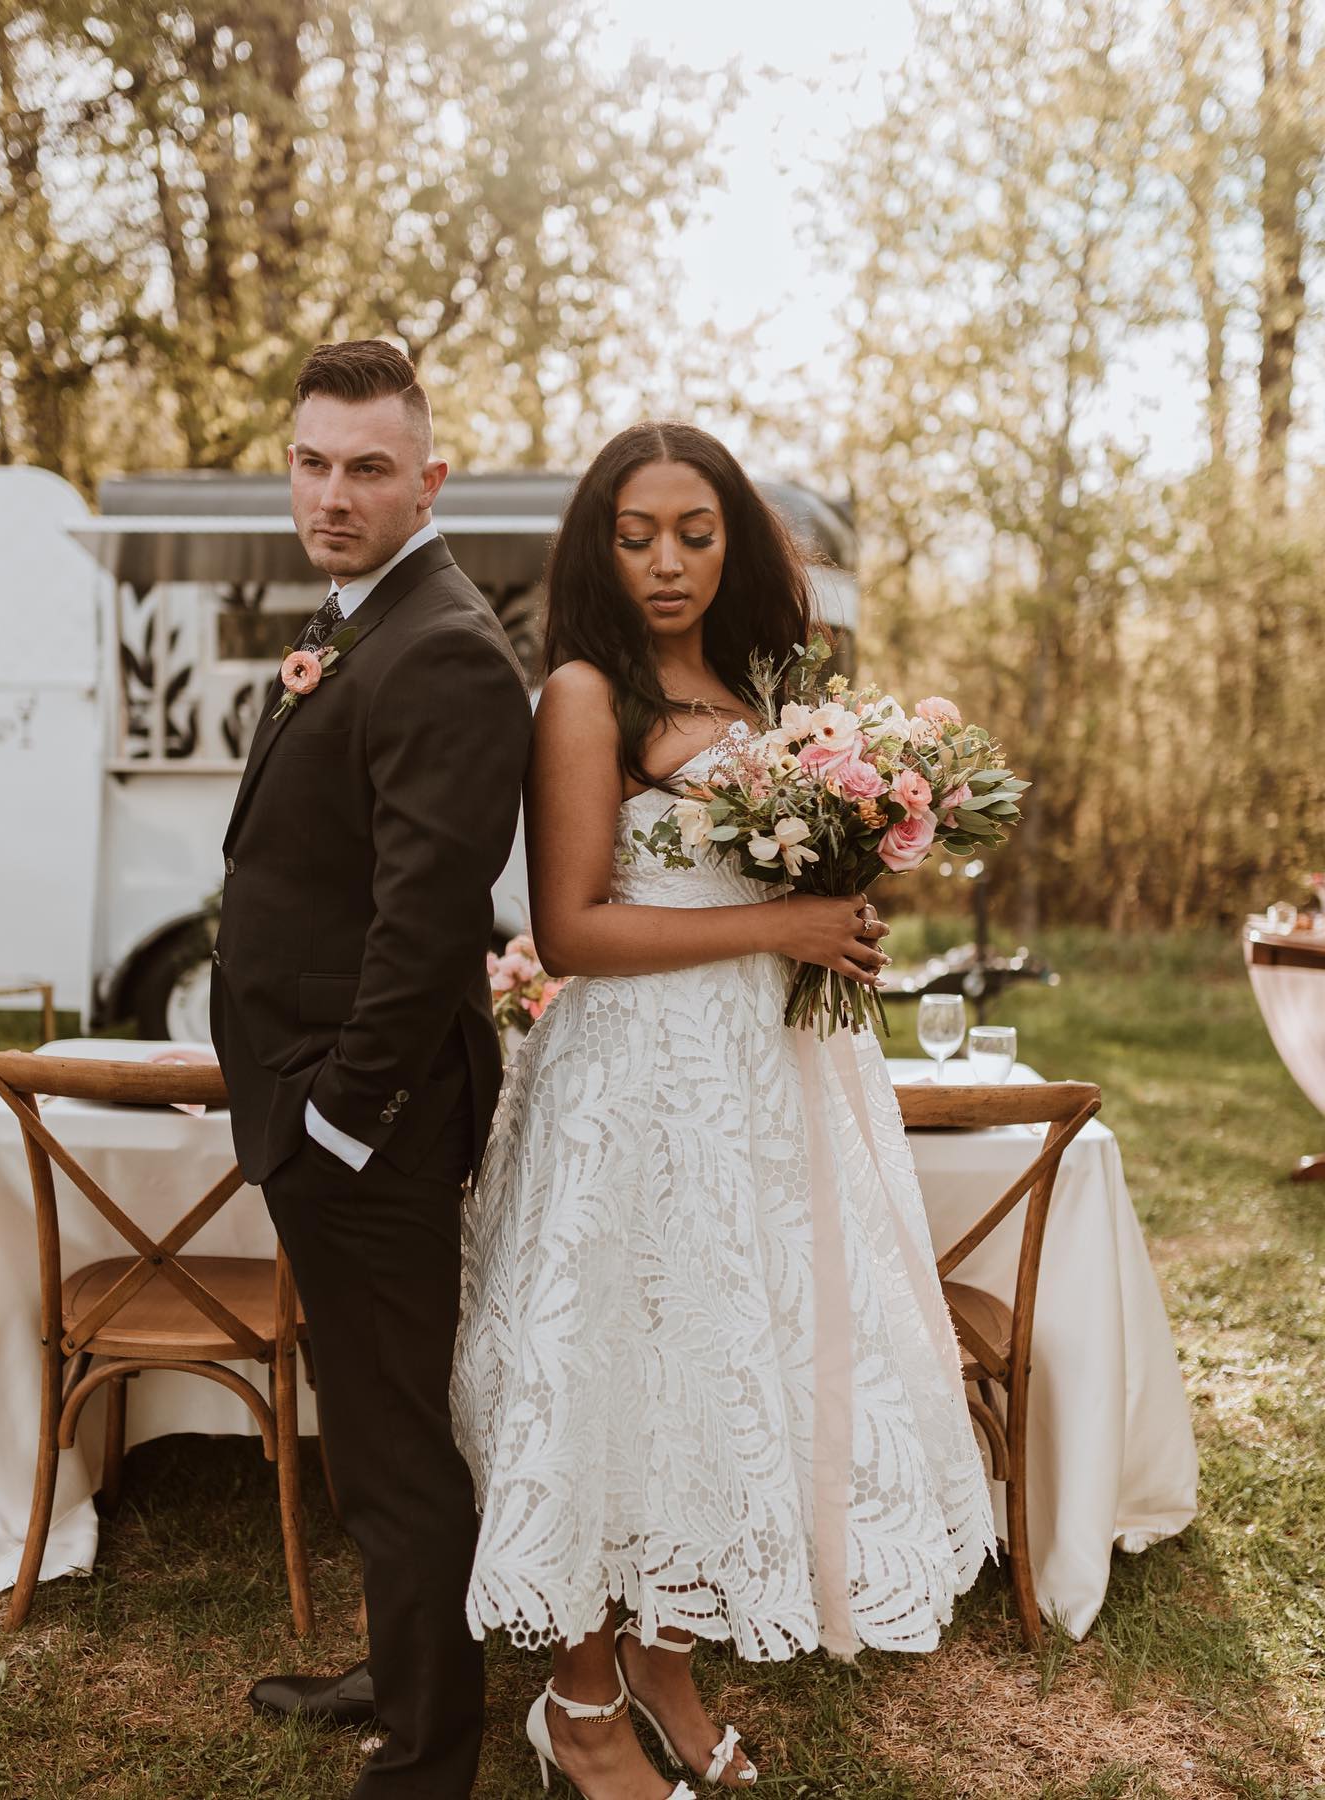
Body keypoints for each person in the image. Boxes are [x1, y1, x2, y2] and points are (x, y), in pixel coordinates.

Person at [452, 423, 994, 1798]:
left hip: (766, 1085)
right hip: (637, 1089)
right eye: (635, 536)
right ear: (599, 549)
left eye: (694, 532)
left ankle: (668, 1662)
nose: (667, 562)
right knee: (616, 1375)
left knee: (730, 1373)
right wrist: (785, 927)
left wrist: (833, 899)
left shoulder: (774, 701)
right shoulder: (586, 693)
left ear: (734, 541)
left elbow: (783, 895)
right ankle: (576, 1708)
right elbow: (570, 930)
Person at [210, 338, 532, 1799]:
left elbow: (426, 926)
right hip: (319, 1109)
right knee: (370, 1424)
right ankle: (394, 1672)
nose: (331, 494)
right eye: (311, 461)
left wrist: (335, 1126)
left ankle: (425, 1756)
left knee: (398, 1449)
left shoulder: (448, 646)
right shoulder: (361, 616)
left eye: (368, 469)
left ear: (429, 481)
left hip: (370, 1129)